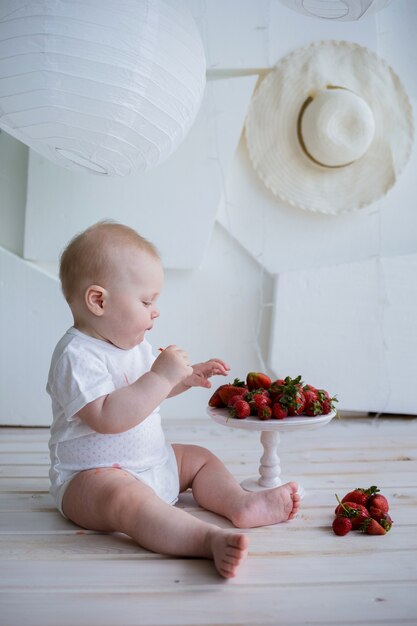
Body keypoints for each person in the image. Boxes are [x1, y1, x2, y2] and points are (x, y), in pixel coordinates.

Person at [47, 221, 300, 579]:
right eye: (146, 301)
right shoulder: (77, 356)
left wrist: (182, 378)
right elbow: (108, 417)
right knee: (127, 503)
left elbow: (145, 396)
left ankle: (240, 503)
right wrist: (161, 376)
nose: (156, 311)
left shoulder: (132, 345)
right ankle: (205, 539)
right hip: (92, 478)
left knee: (198, 459)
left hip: (153, 462)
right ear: (98, 301)